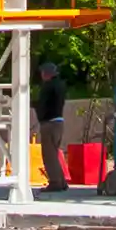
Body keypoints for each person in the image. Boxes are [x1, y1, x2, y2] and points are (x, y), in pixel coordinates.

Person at [34, 60, 68, 193]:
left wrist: (37, 111)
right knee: (55, 153)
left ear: (46, 74)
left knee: (48, 155)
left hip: (49, 123)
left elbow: (42, 105)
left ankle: (55, 182)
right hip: (59, 122)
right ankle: (62, 181)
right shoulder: (60, 86)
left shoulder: (47, 87)